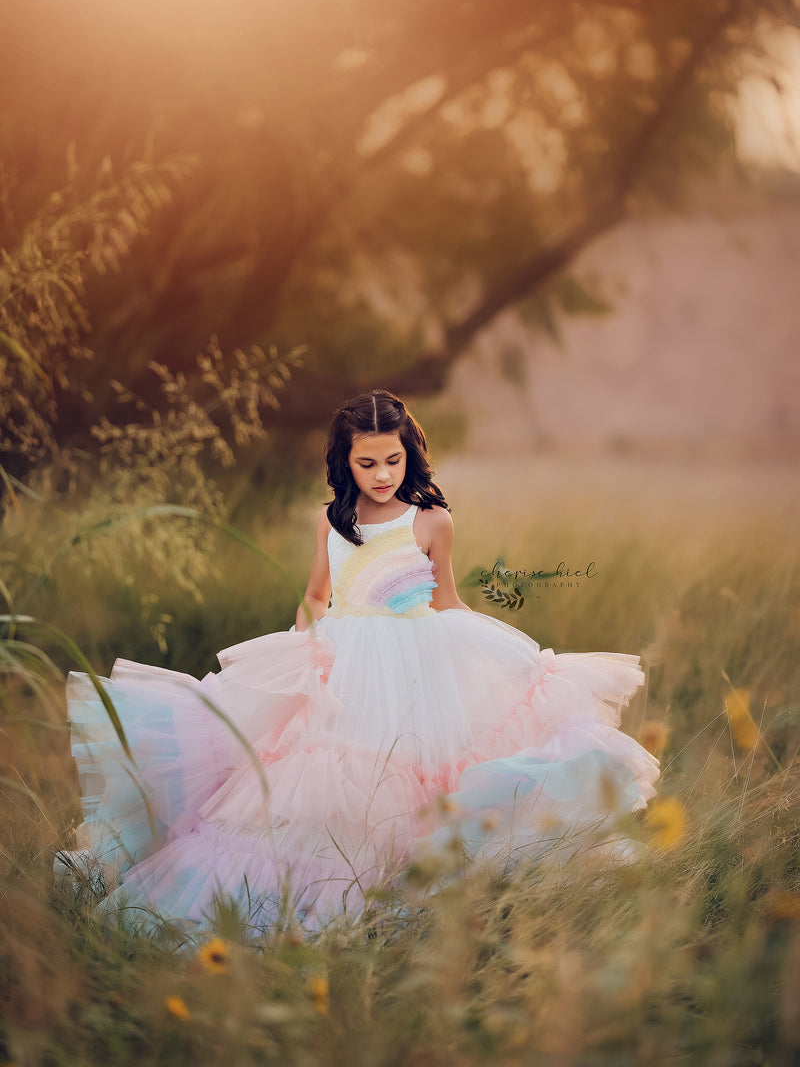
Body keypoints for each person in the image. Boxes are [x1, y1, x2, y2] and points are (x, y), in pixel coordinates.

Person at [64, 389, 659, 933]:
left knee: (416, 772)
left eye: (392, 461)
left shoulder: (432, 522)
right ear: (345, 461)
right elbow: (316, 594)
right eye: (366, 462)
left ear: (411, 457)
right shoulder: (333, 521)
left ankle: (412, 889)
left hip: (415, 660)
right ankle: (315, 895)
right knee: (319, 775)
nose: (381, 475)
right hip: (344, 660)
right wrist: (303, 641)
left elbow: (445, 599)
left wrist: (498, 651)